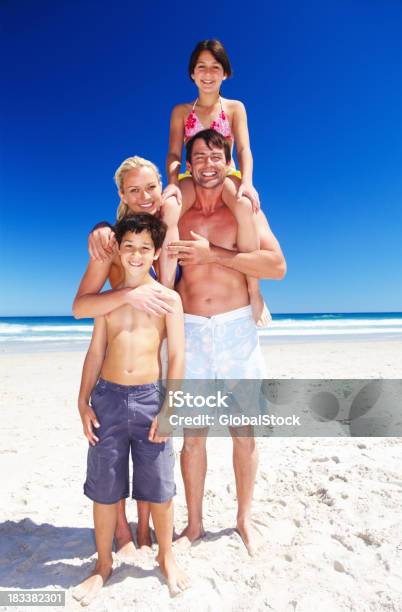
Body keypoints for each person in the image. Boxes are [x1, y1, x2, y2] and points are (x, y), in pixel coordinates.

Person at [166, 129, 286, 555]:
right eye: (199, 156)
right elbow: (138, 233)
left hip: (237, 330)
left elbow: (277, 265)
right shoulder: (177, 212)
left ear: (227, 161)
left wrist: (213, 253)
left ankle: (243, 520)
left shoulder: (245, 210)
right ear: (190, 164)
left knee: (244, 433)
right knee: (193, 436)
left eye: (216, 155)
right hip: (193, 331)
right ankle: (195, 524)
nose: (208, 163)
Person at [73, 214, 189, 605]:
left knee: (159, 485)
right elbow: (95, 352)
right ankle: (103, 565)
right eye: (129, 248)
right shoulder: (108, 299)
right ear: (118, 253)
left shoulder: (169, 299)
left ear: (156, 253)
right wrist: (82, 399)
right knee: (105, 488)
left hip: (149, 399)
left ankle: (166, 556)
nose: (136, 255)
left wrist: (170, 407)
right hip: (107, 397)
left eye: (145, 249)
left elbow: (176, 359)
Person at [163, 39, 270, 326]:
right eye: (201, 67)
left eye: (215, 67)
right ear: (192, 74)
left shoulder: (234, 107)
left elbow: (244, 149)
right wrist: (173, 183)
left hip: (226, 175)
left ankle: (255, 291)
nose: (208, 74)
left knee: (246, 206)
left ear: (225, 74)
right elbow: (174, 152)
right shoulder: (181, 111)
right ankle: (165, 290)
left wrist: (247, 182)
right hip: (191, 175)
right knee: (168, 210)